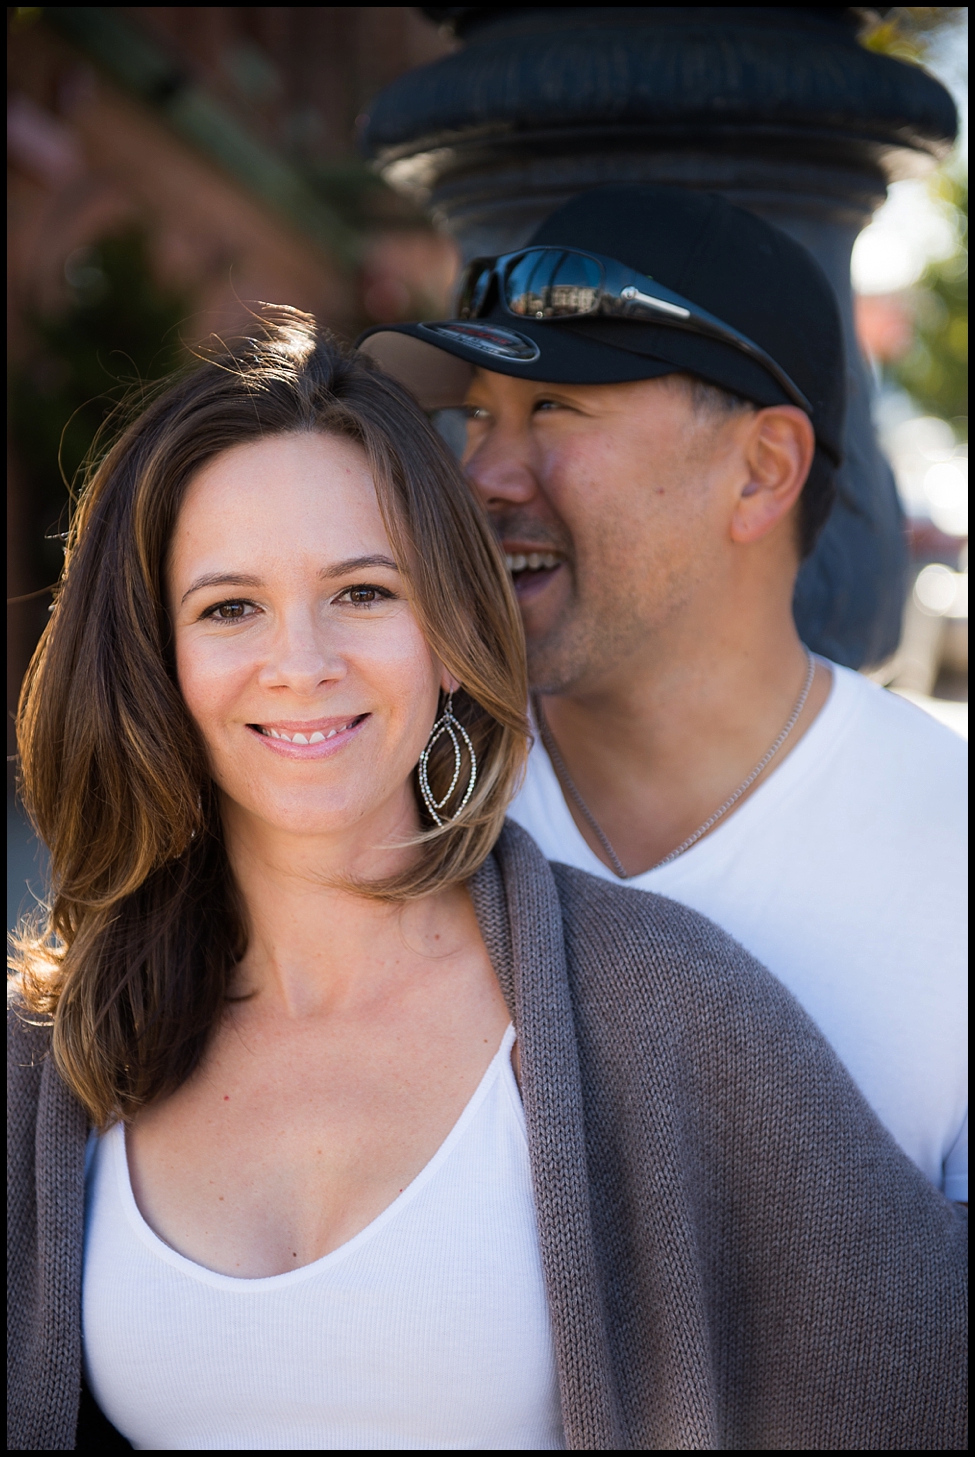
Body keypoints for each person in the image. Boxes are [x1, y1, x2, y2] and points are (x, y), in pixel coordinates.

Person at [8, 311, 965, 1453]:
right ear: (155, 663)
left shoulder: (664, 1005)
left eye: (363, 591)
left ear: (453, 634)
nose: (302, 662)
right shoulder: (53, 1049)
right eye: (229, 607)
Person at [359, 184, 968, 1207]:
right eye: (476, 414)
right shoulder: (389, 798)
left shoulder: (948, 843)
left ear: (762, 469)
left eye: (554, 406)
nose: (485, 475)